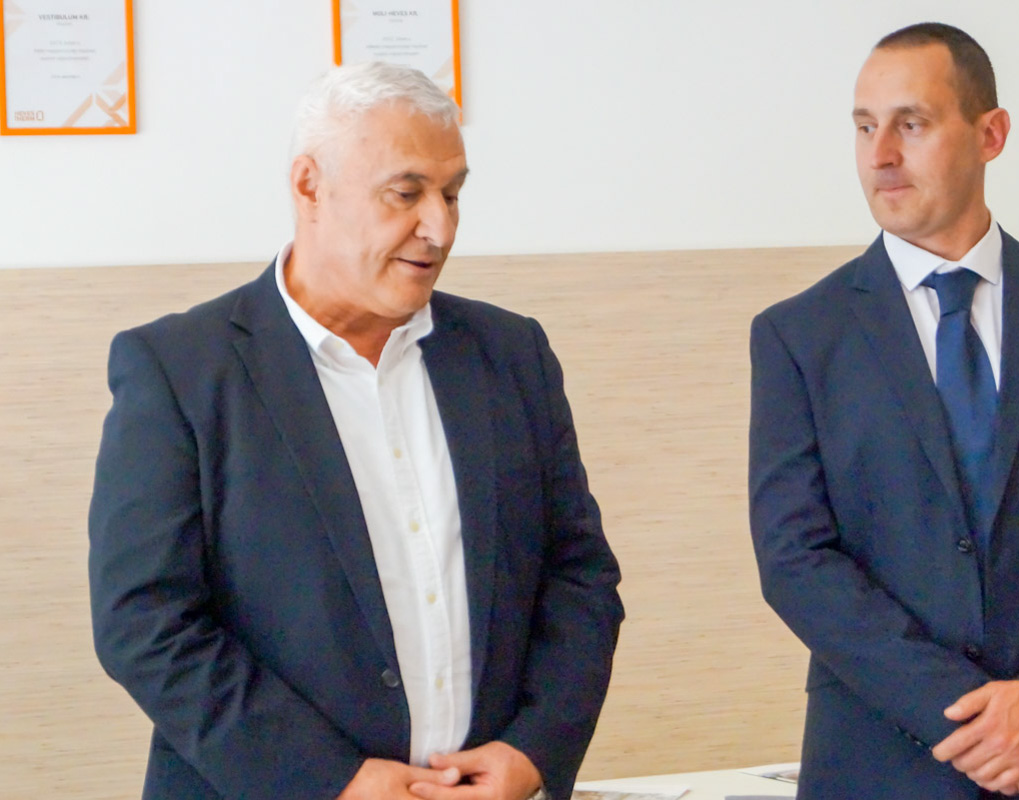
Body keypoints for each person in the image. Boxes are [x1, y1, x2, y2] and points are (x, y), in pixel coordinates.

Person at [88, 62, 623, 800]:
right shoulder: (179, 369)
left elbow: (579, 575)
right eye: (406, 193)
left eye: (453, 194)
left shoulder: (510, 353)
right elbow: (145, 622)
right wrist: (330, 781)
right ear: (309, 186)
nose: (439, 227)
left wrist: (534, 750)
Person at [748, 22, 1019, 799]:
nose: (881, 155)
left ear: (991, 135)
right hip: (882, 761)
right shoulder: (799, 336)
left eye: (910, 124)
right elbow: (796, 560)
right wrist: (971, 721)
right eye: (864, 127)